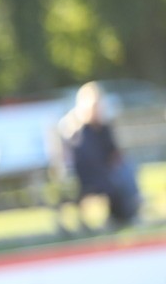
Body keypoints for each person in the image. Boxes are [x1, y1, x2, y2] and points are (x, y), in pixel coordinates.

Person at [59, 81, 141, 227]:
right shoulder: (78, 130)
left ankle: (128, 211)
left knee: (127, 169)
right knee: (118, 178)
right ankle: (127, 212)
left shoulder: (104, 128)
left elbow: (113, 151)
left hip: (106, 171)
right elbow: (81, 159)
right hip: (88, 175)